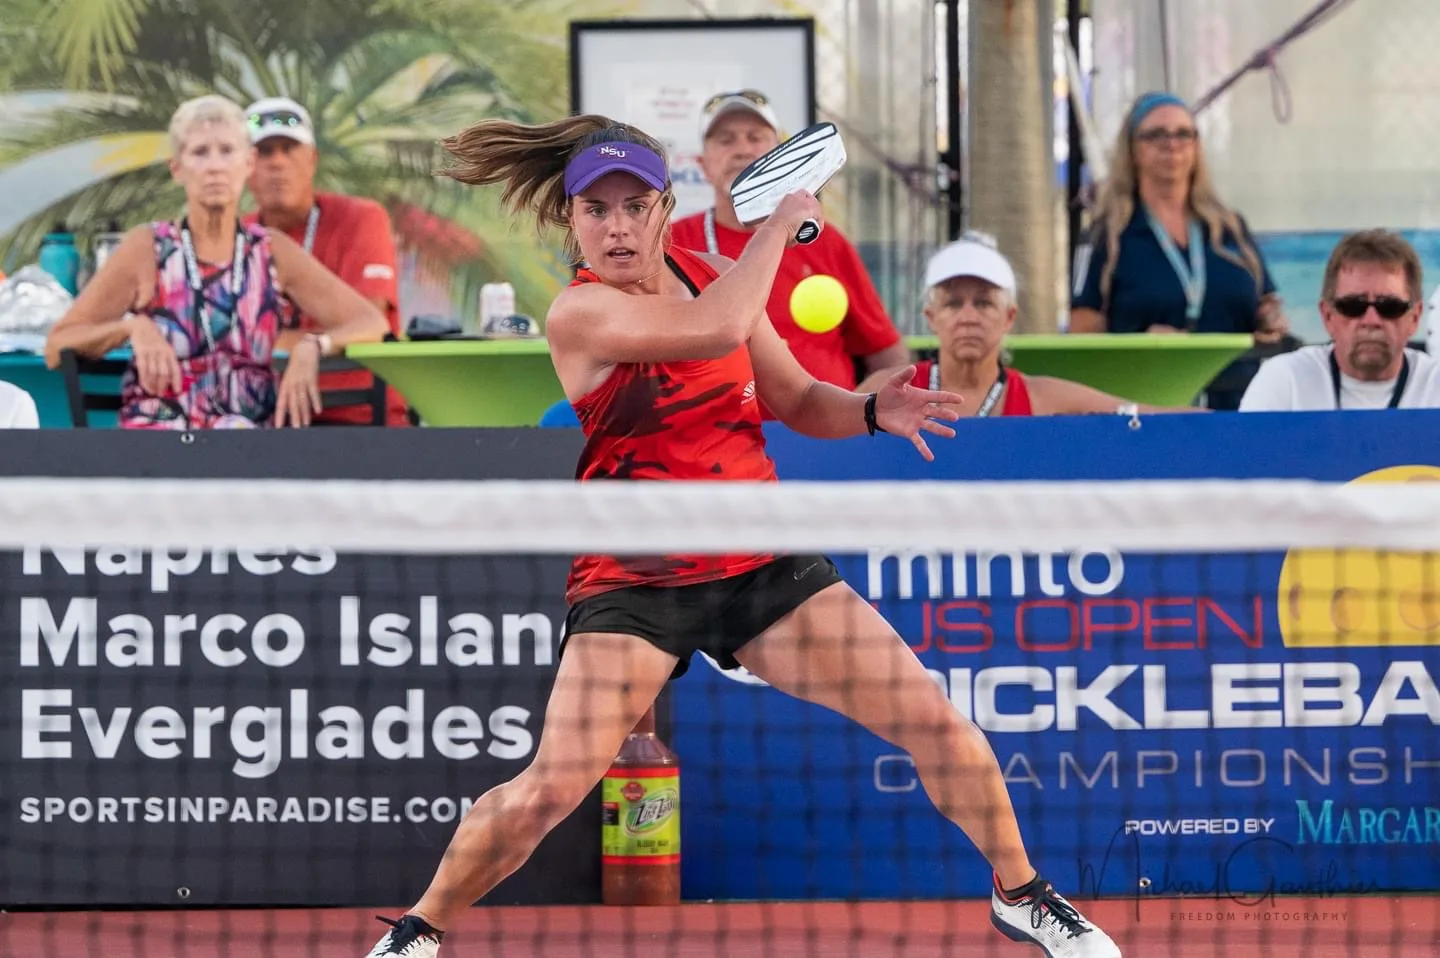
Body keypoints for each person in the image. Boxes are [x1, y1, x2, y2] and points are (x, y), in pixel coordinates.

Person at [362, 115, 1121, 958]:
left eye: (633, 206)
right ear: (571, 223)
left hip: (757, 559)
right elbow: (717, 329)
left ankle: (1024, 895)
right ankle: (419, 930)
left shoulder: (713, 271)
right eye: (596, 210)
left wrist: (871, 408)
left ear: (662, 212)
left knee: (935, 721)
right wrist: (778, 229)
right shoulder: (581, 312)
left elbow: (796, 399)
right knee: (550, 789)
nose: (616, 226)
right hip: (635, 580)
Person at [44, 95, 388, 429]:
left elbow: (372, 322)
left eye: (226, 152)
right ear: (177, 169)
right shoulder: (147, 247)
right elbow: (58, 347)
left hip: (246, 446)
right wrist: (131, 328)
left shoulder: (270, 251)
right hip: (159, 445)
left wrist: (313, 345)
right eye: (199, 152)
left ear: (247, 164)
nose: (214, 167)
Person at [670, 89, 909, 396]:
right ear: (702, 164)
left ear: (780, 153)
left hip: (821, 438)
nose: (743, 149)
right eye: (726, 139)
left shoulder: (825, 239)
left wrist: (852, 420)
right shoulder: (673, 243)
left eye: (755, 137)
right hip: (714, 437)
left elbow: (889, 358)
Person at [863, 233, 1195, 416]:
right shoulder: (887, 388)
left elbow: (1142, 416)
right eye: (952, 303)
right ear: (931, 318)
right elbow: (820, 433)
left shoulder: (1041, 398)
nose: (968, 316)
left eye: (983, 302)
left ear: (1009, 317)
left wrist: (1235, 426)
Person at [243, 96, 409, 425]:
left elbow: (369, 317)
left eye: (289, 149)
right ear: (245, 166)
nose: (277, 162)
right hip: (263, 418)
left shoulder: (361, 218)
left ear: (312, 160)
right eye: (264, 151)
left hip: (358, 413)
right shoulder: (240, 234)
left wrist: (307, 343)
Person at [1240, 229, 1440, 410]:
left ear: (1415, 317)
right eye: (1353, 306)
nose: (1371, 320)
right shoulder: (1285, 381)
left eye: (1389, 307)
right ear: (1327, 316)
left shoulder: (1434, 387)